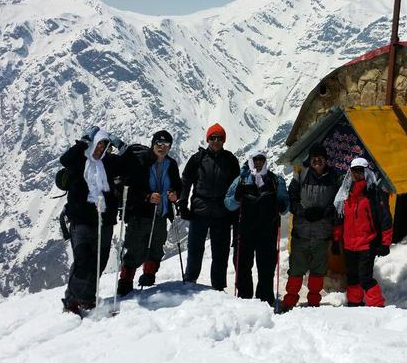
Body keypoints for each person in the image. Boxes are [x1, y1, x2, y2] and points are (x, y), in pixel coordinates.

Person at [60, 126, 123, 314]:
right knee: (83, 261)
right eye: (98, 144)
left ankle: (87, 299)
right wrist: (82, 143)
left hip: (104, 220)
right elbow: (65, 160)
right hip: (81, 220)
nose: (100, 148)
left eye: (104, 145)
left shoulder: (109, 163)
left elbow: (131, 164)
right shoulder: (80, 161)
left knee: (99, 261)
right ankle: (72, 302)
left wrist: (122, 146)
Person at [117, 130, 182, 295]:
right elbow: (129, 189)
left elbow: (177, 185)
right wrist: (147, 197)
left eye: (166, 145)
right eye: (159, 144)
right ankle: (125, 282)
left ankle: (149, 276)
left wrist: (175, 194)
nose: (162, 147)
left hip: (160, 214)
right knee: (134, 250)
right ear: (153, 144)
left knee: (156, 249)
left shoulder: (171, 164)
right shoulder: (141, 162)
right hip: (140, 215)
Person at [178, 123, 240, 291]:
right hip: (200, 210)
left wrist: (235, 210)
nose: (216, 141)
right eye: (213, 138)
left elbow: (237, 187)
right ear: (208, 139)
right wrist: (182, 202)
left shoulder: (230, 160)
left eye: (220, 138)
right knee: (194, 249)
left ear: (224, 141)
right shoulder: (198, 158)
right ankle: (190, 280)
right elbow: (186, 180)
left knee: (220, 252)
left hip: (222, 212)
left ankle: (218, 286)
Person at [280, 143, 341, 312]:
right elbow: (291, 198)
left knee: (318, 271)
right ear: (310, 159)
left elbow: (338, 204)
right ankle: (289, 301)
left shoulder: (334, 178)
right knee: (296, 270)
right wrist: (302, 212)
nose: (317, 161)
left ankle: (314, 302)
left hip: (322, 233)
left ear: (325, 160)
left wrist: (325, 212)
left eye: (320, 158)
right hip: (301, 232)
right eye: (314, 158)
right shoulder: (301, 175)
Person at [224, 151, 288, 306]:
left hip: (267, 231)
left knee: (266, 267)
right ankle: (244, 299)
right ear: (251, 161)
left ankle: (264, 300)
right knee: (243, 267)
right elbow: (228, 204)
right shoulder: (241, 180)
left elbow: (285, 206)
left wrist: (282, 204)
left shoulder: (275, 180)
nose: (258, 163)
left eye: (261, 159)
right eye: (256, 160)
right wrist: (236, 197)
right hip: (246, 231)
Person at [333, 157, 393, 307]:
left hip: (367, 243)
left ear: (366, 172)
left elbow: (385, 219)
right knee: (352, 277)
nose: (357, 174)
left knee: (365, 278)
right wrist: (336, 239)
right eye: (354, 171)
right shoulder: (345, 193)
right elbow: (340, 218)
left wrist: (385, 243)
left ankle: (377, 305)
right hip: (349, 244)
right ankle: (354, 303)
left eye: (360, 171)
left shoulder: (374, 193)